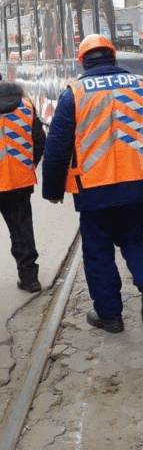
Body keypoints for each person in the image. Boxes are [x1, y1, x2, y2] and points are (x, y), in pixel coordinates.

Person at [42, 35, 143, 334]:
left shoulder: (74, 94)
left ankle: (110, 316)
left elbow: (57, 147)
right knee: (134, 238)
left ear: (82, 61)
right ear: (114, 57)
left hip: (94, 190)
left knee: (98, 249)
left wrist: (52, 191)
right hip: (138, 184)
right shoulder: (142, 86)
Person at [0, 75, 46, 293]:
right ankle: (30, 279)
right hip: (19, 181)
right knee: (22, 229)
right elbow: (39, 141)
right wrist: (29, 165)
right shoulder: (25, 105)